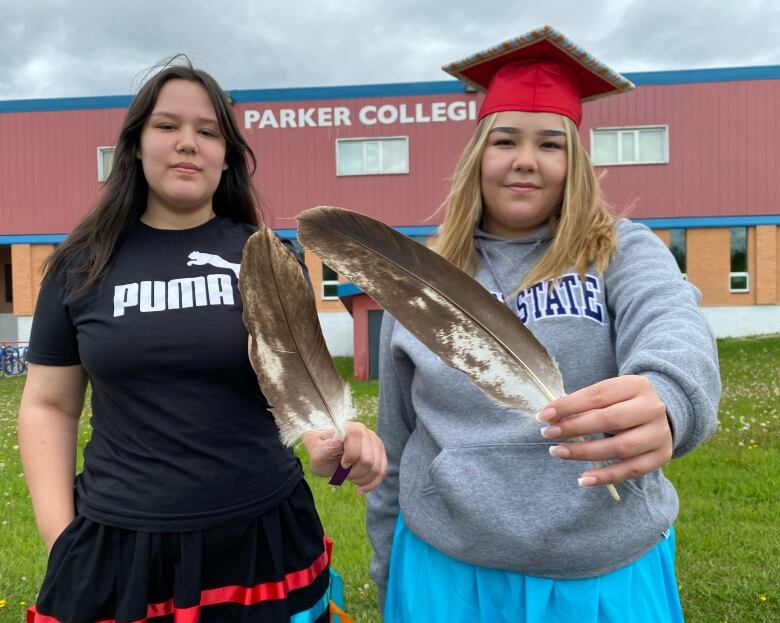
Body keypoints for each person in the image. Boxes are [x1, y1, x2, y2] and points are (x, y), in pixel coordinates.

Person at [366, 26, 720, 623]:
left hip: (599, 575)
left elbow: (672, 320)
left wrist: (669, 394)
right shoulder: (420, 281)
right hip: (447, 573)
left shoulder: (621, 251)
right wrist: (386, 569)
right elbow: (395, 444)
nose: (526, 161)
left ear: (574, 161)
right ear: (479, 155)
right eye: (505, 140)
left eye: (550, 144)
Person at [19, 58, 385, 623]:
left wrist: (333, 448)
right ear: (136, 144)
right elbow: (49, 404)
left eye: (208, 131)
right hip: (120, 543)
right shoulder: (81, 266)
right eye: (167, 126)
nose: (188, 142)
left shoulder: (266, 256)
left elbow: (301, 391)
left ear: (226, 155)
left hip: (262, 541)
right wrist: (59, 535)